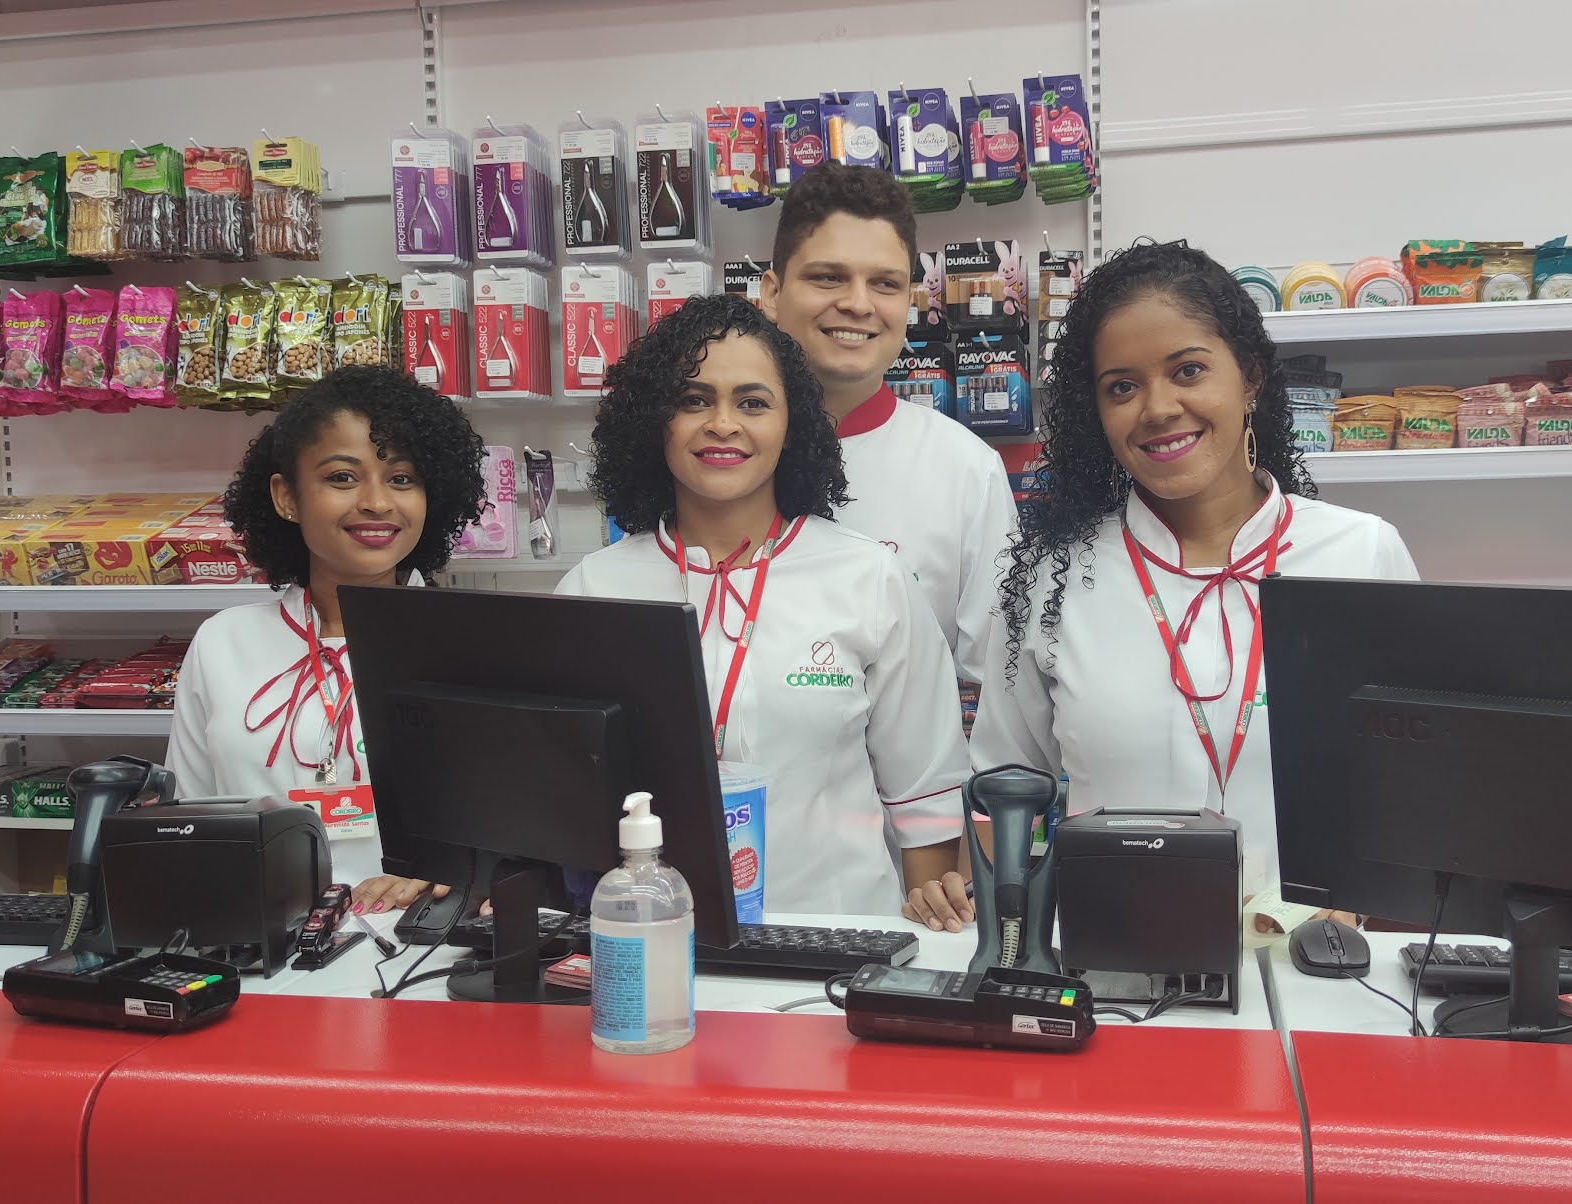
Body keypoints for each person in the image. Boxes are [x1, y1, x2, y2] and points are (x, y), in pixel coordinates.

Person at [940, 241, 1420, 936]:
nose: (1158, 408)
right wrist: (987, 923)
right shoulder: (1054, 577)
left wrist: (1367, 904)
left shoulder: (1361, 554)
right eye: (1121, 387)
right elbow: (1002, 785)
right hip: (1107, 964)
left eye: (1188, 370)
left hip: (1309, 968)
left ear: (1250, 376)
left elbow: (1411, 788)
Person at [557, 293, 969, 917]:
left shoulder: (869, 577)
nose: (723, 424)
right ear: (653, 421)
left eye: (753, 402)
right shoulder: (595, 589)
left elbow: (924, 792)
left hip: (839, 936)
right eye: (694, 400)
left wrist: (929, 936)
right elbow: (558, 794)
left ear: (791, 424)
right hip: (650, 934)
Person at [166, 366, 486, 909]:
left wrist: (455, 875)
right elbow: (190, 825)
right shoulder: (223, 643)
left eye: (402, 479)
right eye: (342, 477)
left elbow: (517, 839)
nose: (377, 502)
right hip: (261, 936)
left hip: (420, 936)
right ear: (286, 496)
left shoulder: (475, 644)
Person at [759, 163, 1019, 696]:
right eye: (828, 277)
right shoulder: (716, 456)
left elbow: (996, 687)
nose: (858, 304)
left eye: (884, 283)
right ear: (771, 293)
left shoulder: (967, 471)